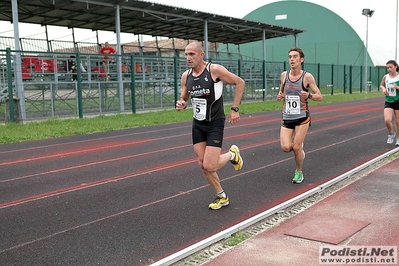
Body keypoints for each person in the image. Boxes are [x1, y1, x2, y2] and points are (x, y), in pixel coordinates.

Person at [176, 41, 245, 210]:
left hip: (215, 122)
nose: (188, 58)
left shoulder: (214, 70)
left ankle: (232, 155)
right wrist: (182, 103)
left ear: (201, 55)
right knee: (202, 163)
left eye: (192, 54)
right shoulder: (186, 76)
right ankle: (222, 196)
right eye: (186, 54)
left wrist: (234, 109)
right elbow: (184, 97)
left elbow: (240, 82)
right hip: (198, 124)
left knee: (209, 165)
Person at [276, 47, 322, 184]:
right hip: (287, 116)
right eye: (290, 57)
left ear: (301, 60)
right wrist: (281, 96)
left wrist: (309, 95)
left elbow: (319, 96)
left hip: (302, 117)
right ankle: (300, 150)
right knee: (285, 148)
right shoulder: (284, 75)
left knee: (295, 147)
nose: (292, 59)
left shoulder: (307, 77)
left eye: (295, 57)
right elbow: (282, 92)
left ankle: (298, 171)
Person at [379, 60, 399, 145]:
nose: (389, 69)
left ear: (396, 66)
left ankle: (398, 139)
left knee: (398, 122)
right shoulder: (386, 77)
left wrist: (397, 87)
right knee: (387, 120)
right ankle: (391, 133)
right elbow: (381, 85)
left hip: (398, 100)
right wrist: (383, 89)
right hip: (389, 100)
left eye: (391, 67)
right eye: (387, 68)